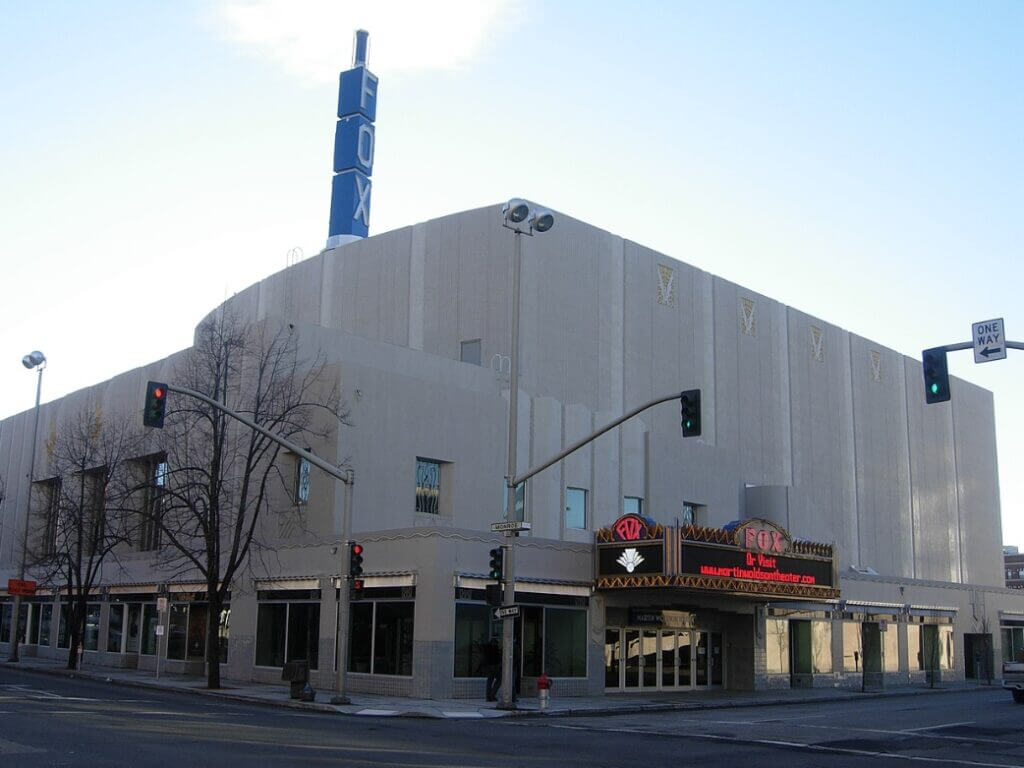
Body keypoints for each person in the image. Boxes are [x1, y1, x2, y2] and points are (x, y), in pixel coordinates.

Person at [484, 637, 501, 701]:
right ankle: (492, 695)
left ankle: (488, 696)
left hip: (488, 666)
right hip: (494, 665)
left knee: (490, 680)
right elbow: (496, 657)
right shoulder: (495, 647)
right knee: (499, 679)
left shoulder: (487, 647)